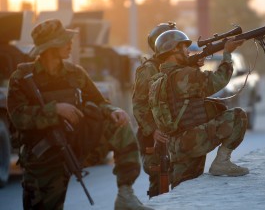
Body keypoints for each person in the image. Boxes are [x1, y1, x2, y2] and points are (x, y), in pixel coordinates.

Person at [6, 19, 153, 210]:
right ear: (51, 47)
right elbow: (18, 117)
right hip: (41, 159)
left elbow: (100, 102)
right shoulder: (23, 77)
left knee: (119, 124)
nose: (70, 44)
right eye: (64, 41)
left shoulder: (75, 73)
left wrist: (113, 110)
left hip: (74, 145)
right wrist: (56, 109)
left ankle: (125, 193)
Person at [149, 30, 249, 188]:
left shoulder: (160, 79)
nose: (187, 51)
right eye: (183, 48)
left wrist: (193, 66)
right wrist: (227, 54)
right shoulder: (185, 75)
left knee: (183, 190)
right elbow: (218, 80)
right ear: (174, 50)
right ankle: (222, 162)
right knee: (238, 116)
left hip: (177, 146)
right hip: (193, 140)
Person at [132, 22, 176, 198]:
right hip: (154, 139)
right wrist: (152, 130)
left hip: (174, 134)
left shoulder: (177, 64)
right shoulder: (148, 69)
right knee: (159, 185)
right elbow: (139, 105)